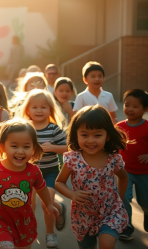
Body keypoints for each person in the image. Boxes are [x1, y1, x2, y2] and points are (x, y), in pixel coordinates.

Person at [55, 105, 129, 249]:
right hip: (83, 215)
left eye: (97, 135)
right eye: (84, 135)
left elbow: (124, 177)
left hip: (110, 212)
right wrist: (72, 194)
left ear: (107, 135)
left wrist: (119, 199)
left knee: (106, 244)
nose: (91, 140)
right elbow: (59, 183)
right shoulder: (73, 159)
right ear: (76, 135)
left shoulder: (113, 159)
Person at [0, 120, 59, 249]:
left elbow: (42, 188)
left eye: (26, 147)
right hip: (0, 221)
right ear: (3, 146)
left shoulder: (33, 171)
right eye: (14, 146)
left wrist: (49, 204)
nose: (20, 151)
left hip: (25, 222)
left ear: (33, 148)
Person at [20, 89, 67, 248]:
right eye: (34, 107)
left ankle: (50, 233)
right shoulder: (25, 128)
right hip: (27, 172)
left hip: (49, 171)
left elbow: (69, 148)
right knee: (28, 204)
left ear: (50, 109)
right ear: (27, 109)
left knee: (47, 203)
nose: (39, 110)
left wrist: (53, 147)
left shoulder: (54, 129)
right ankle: (28, 232)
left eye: (43, 107)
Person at [116, 89, 148, 240]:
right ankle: (126, 226)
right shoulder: (119, 127)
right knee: (124, 197)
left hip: (144, 172)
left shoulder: (147, 127)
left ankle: (147, 213)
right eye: (127, 105)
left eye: (135, 106)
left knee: (145, 200)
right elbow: (114, 147)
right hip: (125, 172)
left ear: (145, 109)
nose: (130, 109)